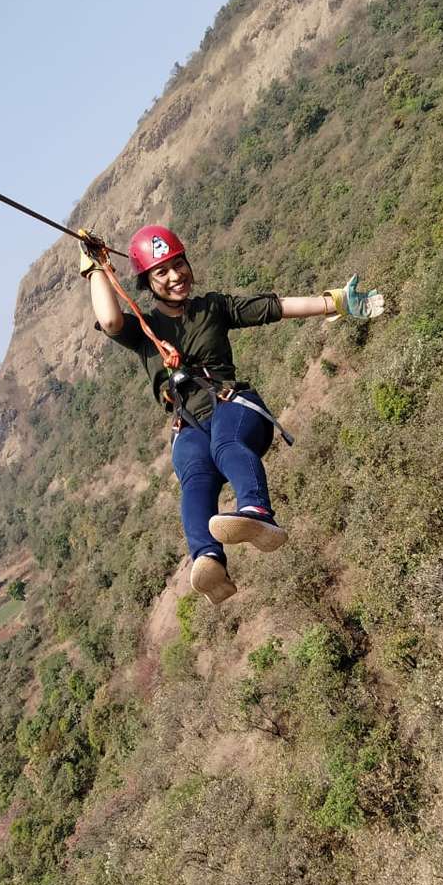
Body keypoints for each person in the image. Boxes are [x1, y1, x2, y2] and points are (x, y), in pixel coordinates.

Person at [82, 224, 383, 604]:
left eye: (179, 264)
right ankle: (209, 560)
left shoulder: (214, 307)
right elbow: (110, 320)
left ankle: (257, 512)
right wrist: (93, 267)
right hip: (188, 426)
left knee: (226, 442)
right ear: (147, 280)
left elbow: (275, 307)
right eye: (162, 271)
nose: (176, 276)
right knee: (194, 475)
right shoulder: (144, 330)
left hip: (235, 409)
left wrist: (336, 301)